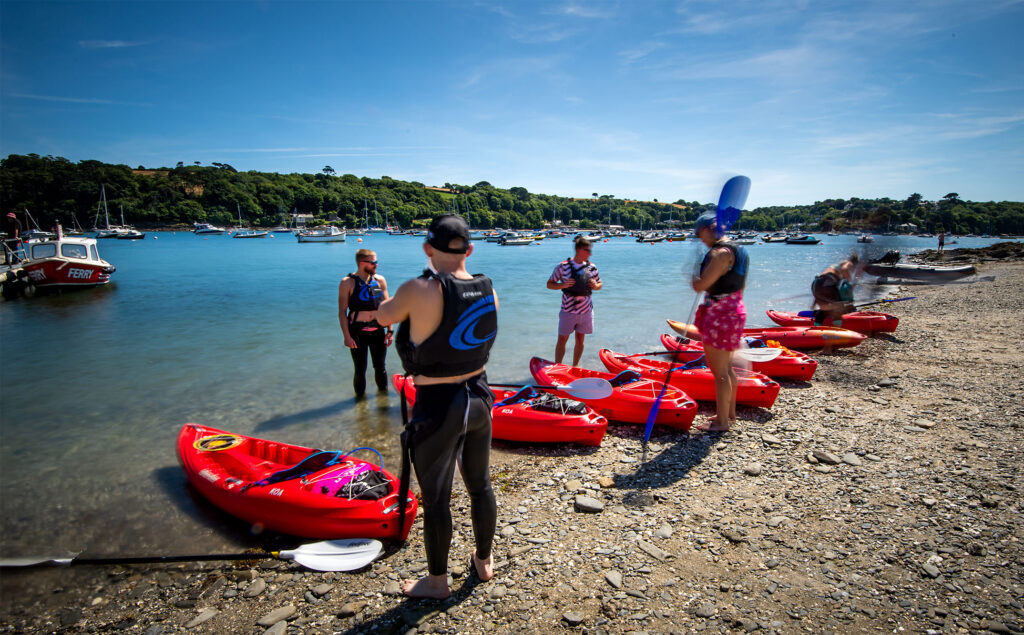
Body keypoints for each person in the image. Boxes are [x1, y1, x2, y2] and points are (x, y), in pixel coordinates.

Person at [376, 214, 499, 600]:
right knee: (480, 486)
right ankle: (483, 562)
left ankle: (436, 583)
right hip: (479, 397)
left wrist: (383, 290)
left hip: (439, 406)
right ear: (470, 249)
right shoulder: (488, 288)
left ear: (428, 248)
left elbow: (383, 316)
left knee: (437, 499)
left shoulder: (418, 287)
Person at [691, 212, 749, 432]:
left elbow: (700, 285)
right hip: (734, 310)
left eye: (699, 233)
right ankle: (729, 414)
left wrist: (691, 274)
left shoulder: (718, 254)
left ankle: (722, 423)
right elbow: (739, 286)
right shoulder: (739, 250)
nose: (699, 239)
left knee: (719, 372)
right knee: (727, 367)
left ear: (708, 229)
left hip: (719, 315)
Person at [338, 249, 392, 397]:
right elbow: (342, 313)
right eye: (373, 262)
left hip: (378, 331)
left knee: (380, 367)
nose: (376, 265)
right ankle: (360, 406)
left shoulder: (379, 280)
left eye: (376, 262)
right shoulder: (347, 283)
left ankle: (383, 402)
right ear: (362, 263)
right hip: (357, 332)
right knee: (360, 369)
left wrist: (390, 331)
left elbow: (387, 307)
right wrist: (347, 336)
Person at [547, 237, 602, 366]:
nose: (590, 253)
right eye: (587, 250)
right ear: (578, 250)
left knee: (580, 339)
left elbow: (600, 283)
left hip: (586, 311)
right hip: (568, 311)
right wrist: (563, 285)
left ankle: (575, 366)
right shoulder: (563, 266)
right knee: (562, 339)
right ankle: (558, 367)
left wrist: (596, 285)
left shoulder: (591, 267)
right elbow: (549, 284)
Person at [810, 254, 861, 325]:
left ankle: (817, 327)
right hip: (827, 282)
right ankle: (837, 329)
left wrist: (814, 303)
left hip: (816, 283)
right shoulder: (848, 263)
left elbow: (820, 289)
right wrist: (849, 280)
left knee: (824, 309)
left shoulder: (836, 266)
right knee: (837, 308)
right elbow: (844, 269)